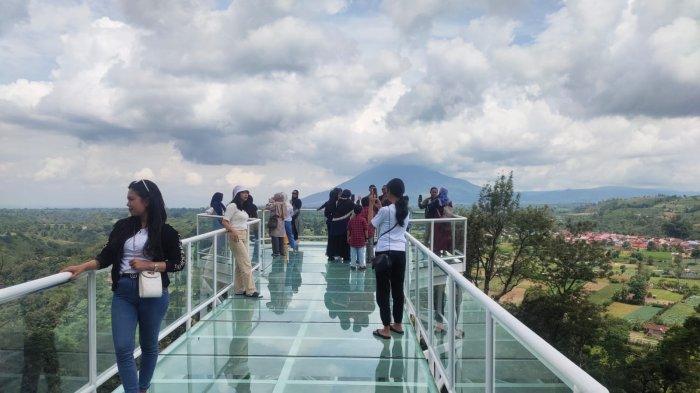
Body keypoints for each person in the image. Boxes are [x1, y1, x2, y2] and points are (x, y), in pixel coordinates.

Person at [61, 179, 184, 393]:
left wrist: (150, 265)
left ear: (146, 201)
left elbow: (179, 263)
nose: (127, 203)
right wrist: (83, 266)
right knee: (123, 348)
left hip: (153, 293)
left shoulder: (167, 231)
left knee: (148, 346)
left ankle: (143, 388)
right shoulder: (122, 227)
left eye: (131, 199)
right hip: (124, 293)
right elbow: (107, 255)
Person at [371, 178, 410, 339]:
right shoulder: (406, 211)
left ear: (388, 191)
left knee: (383, 291)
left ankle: (386, 328)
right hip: (400, 252)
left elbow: (371, 224)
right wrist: (381, 208)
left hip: (384, 254)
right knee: (397, 290)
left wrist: (373, 207)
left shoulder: (385, 210)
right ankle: (398, 324)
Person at [222, 186, 261, 299]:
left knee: (240, 264)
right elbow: (224, 221)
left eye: (247, 192)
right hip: (236, 235)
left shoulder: (242, 207)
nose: (246, 194)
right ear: (237, 194)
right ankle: (250, 290)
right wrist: (233, 231)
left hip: (244, 234)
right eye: (243, 192)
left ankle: (239, 289)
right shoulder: (232, 206)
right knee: (246, 262)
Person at [328, 189, 355, 262]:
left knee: (333, 240)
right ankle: (345, 256)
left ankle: (331, 255)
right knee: (344, 241)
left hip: (334, 223)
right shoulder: (350, 203)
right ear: (349, 195)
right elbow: (356, 209)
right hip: (344, 224)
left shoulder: (336, 201)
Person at [320, 188, 342, 260]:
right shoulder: (338, 203)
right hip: (337, 223)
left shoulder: (328, 202)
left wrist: (331, 217)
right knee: (337, 238)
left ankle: (330, 254)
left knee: (330, 239)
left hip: (330, 223)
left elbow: (326, 214)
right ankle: (337, 253)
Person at [266, 193, 288, 257]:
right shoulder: (284, 204)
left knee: (275, 237)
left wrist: (270, 202)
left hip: (275, 222)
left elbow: (267, 207)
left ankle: (276, 252)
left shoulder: (275, 204)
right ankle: (282, 252)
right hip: (282, 221)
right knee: (281, 237)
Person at [347, 204, 368, 270]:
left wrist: (348, 238)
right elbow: (366, 230)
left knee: (353, 254)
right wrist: (366, 238)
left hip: (353, 240)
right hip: (361, 240)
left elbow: (348, 230)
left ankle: (353, 265)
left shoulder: (351, 220)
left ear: (354, 211)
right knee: (361, 253)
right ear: (361, 211)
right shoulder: (363, 220)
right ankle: (361, 266)